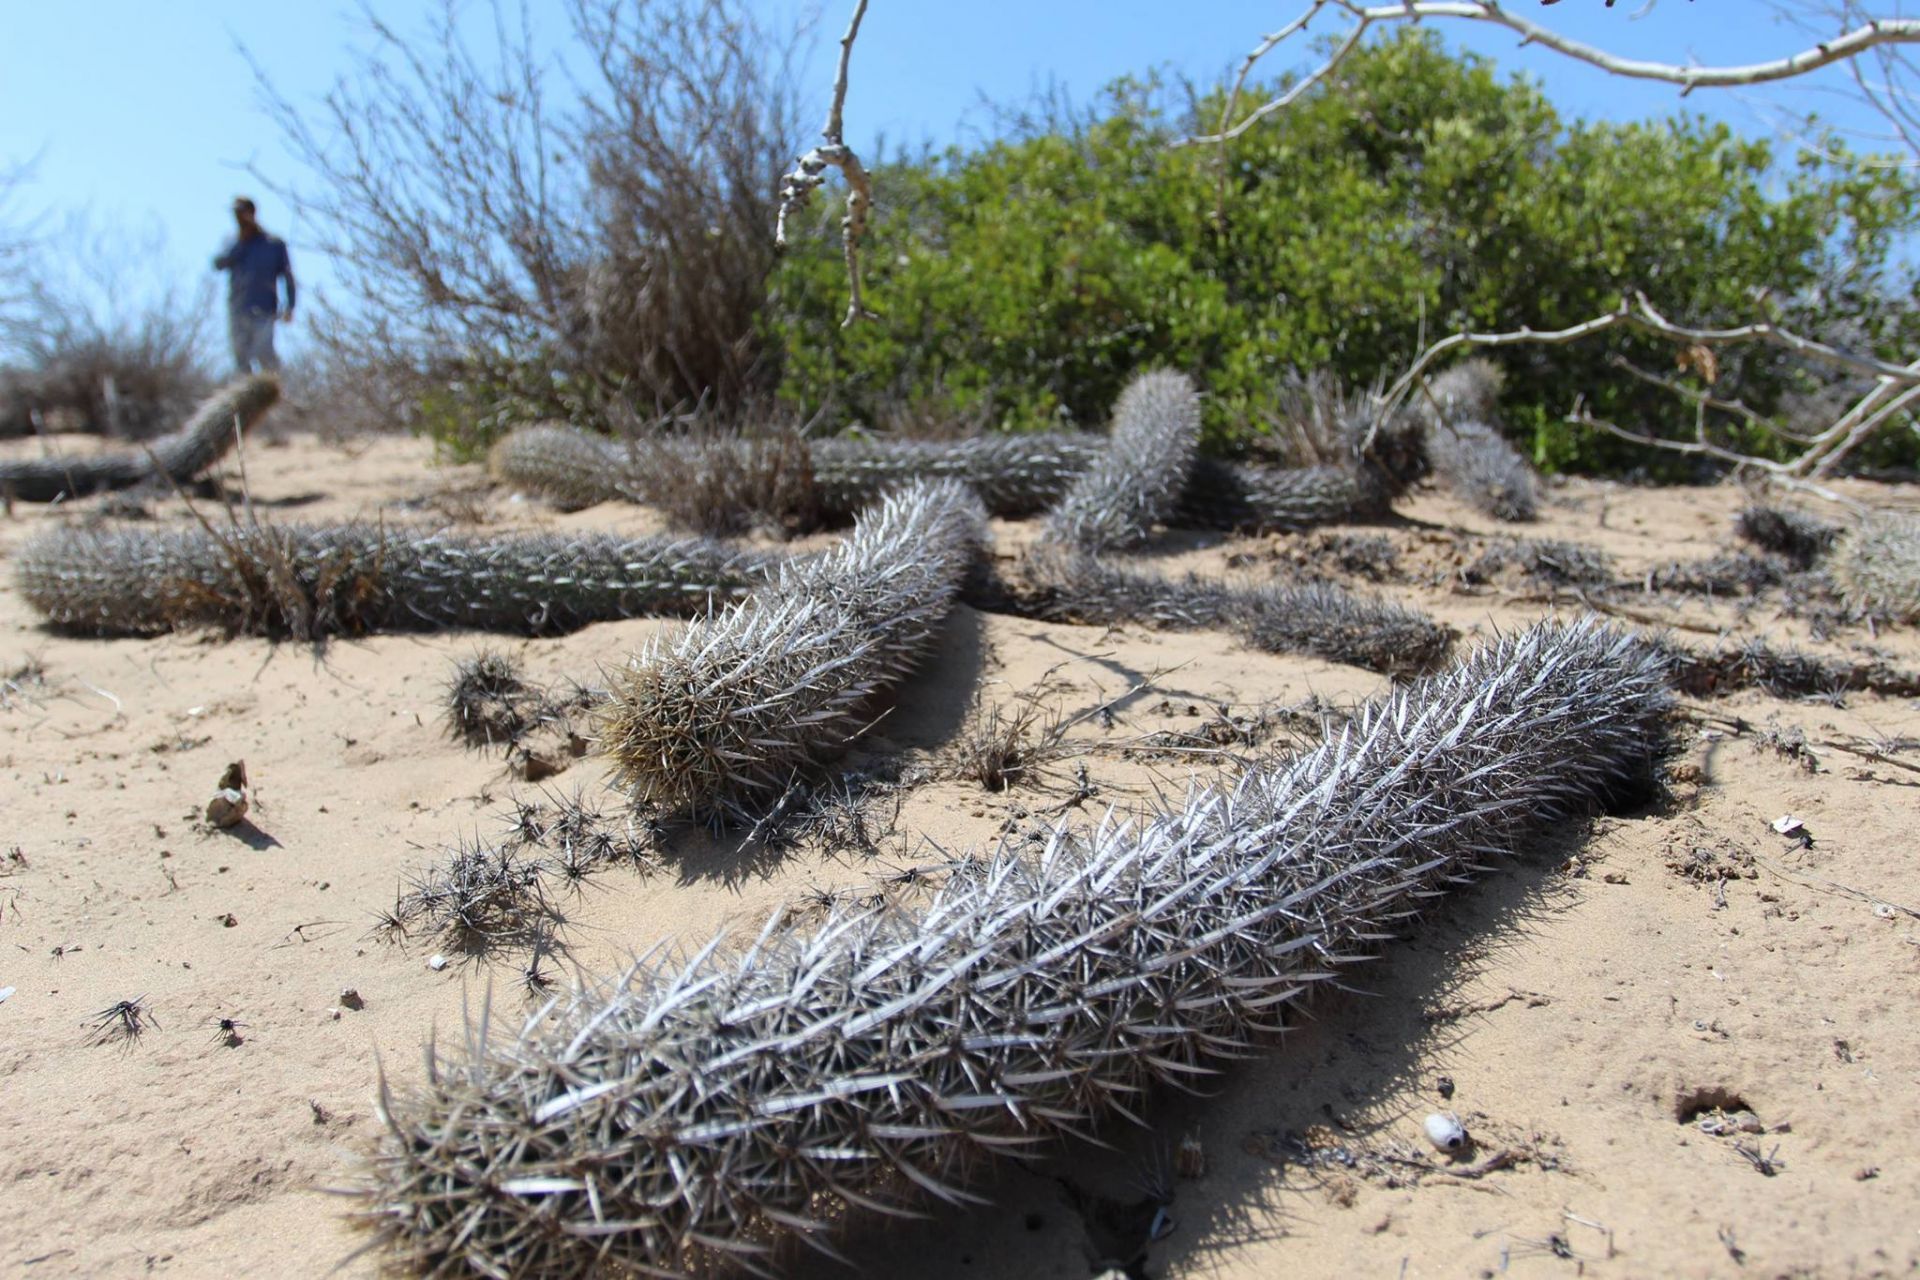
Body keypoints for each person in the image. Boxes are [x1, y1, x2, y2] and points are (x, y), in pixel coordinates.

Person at [212, 197, 295, 373]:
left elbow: (287, 275)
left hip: (264, 308)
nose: (238, 217)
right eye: (235, 213)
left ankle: (277, 393)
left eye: (241, 212)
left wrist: (290, 305)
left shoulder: (273, 243)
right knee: (241, 357)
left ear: (252, 213)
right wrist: (240, 243)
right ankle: (247, 397)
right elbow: (219, 264)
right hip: (238, 307)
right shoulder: (232, 242)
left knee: (264, 354)